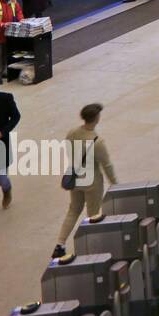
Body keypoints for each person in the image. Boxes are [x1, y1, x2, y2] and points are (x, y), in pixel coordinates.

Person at [52, 103, 117, 259]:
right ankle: (93, 248)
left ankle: (60, 244)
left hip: (76, 179)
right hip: (92, 182)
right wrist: (115, 184)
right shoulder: (97, 141)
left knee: (73, 210)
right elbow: (106, 165)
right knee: (93, 215)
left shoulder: (72, 133)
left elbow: (68, 150)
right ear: (96, 118)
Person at [0, 78, 21, 209]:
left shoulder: (5, 98)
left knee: (0, 179)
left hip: (0, 143)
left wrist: (2, 133)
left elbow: (16, 117)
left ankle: (7, 189)